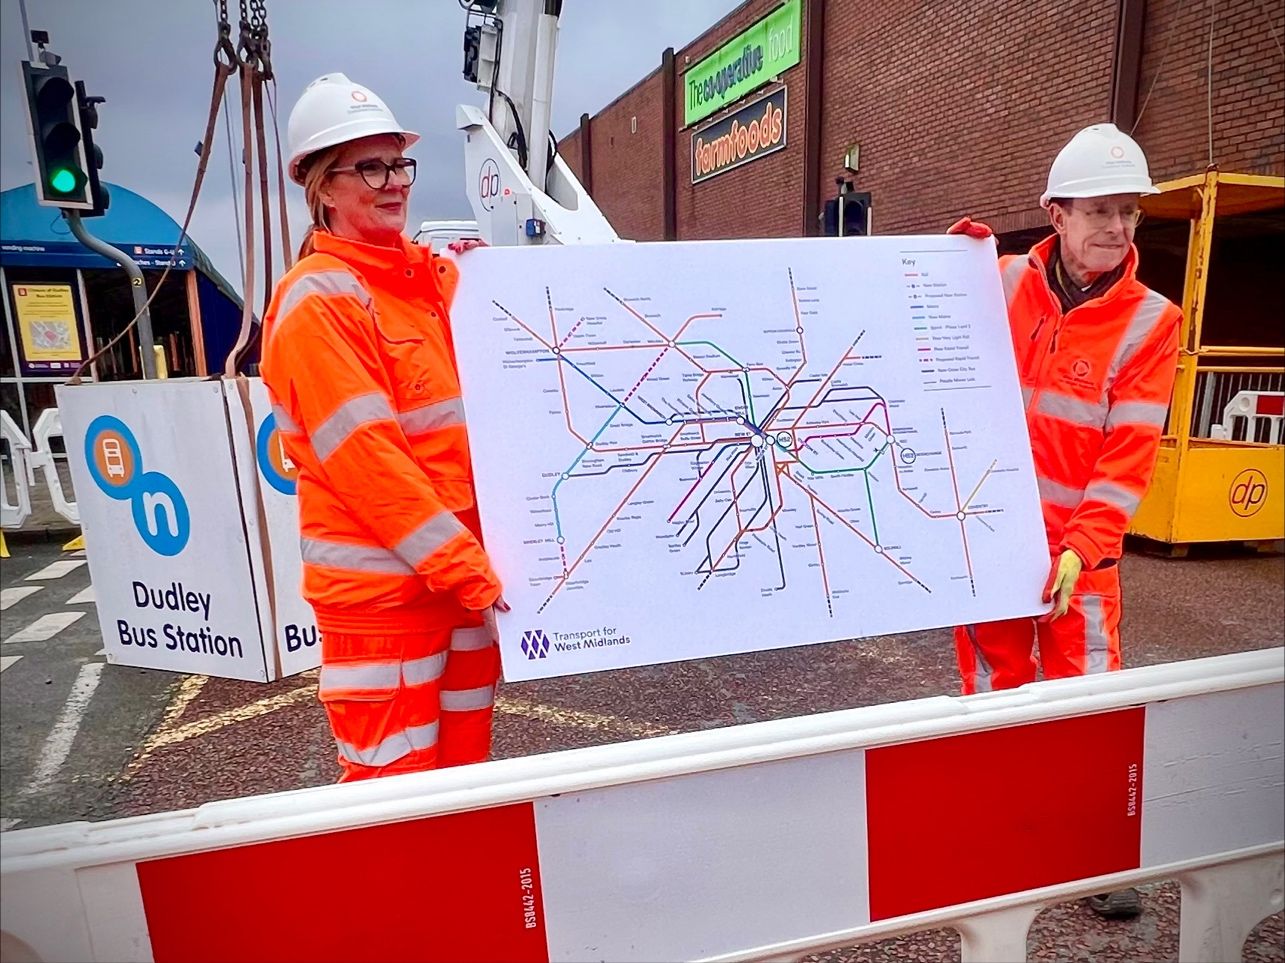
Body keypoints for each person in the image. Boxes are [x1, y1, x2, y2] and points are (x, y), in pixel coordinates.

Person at [949, 123, 1182, 919]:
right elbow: (918, 317)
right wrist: (945, 263)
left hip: (1083, 560)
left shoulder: (1153, 322)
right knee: (995, 696)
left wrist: (1082, 547)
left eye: (1128, 212)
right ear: (1055, 213)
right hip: (991, 548)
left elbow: (1129, 454)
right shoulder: (1001, 278)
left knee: (1087, 704)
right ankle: (1001, 836)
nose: (1116, 229)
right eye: (1099, 211)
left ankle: (1097, 856)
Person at [261, 73, 505, 782]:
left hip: (458, 592)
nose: (393, 181)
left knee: (465, 781)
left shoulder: (426, 284)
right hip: (385, 607)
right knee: (392, 798)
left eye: (398, 163)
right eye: (369, 166)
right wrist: (470, 572)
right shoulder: (317, 302)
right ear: (320, 187)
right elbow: (369, 464)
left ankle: (461, 897)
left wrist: (490, 281)